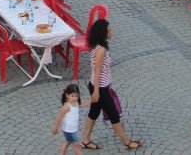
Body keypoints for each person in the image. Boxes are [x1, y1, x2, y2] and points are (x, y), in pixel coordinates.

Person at [79, 19, 143, 151]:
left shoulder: (98, 45)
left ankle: (85, 140)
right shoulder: (101, 49)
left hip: (99, 86)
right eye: (108, 31)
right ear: (102, 33)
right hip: (100, 88)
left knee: (94, 112)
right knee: (113, 115)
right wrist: (96, 91)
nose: (111, 33)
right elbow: (97, 71)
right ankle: (127, 142)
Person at [53, 84, 91, 155]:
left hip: (73, 129)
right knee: (77, 147)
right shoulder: (67, 106)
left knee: (67, 141)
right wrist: (56, 128)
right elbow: (59, 117)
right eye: (72, 96)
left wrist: (90, 101)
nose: (74, 98)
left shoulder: (76, 103)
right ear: (67, 95)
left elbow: (81, 105)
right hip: (68, 130)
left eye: (76, 96)